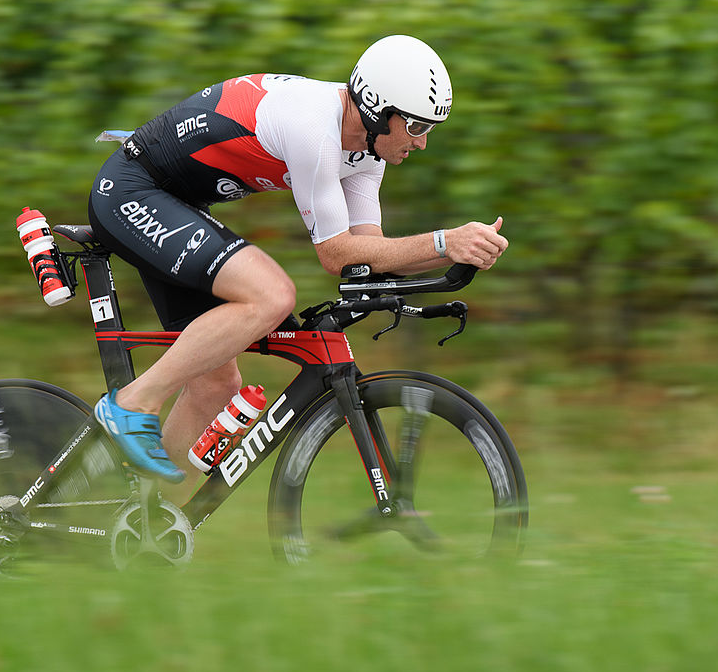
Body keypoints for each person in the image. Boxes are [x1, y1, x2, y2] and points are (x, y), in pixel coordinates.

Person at [88, 34, 509, 485]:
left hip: (177, 205)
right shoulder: (315, 127)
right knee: (272, 295)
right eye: (418, 128)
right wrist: (445, 242)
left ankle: (141, 527)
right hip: (133, 191)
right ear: (380, 112)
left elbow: (368, 252)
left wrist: (455, 261)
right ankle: (131, 405)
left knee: (216, 385)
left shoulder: (367, 152)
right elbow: (335, 253)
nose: (422, 144)